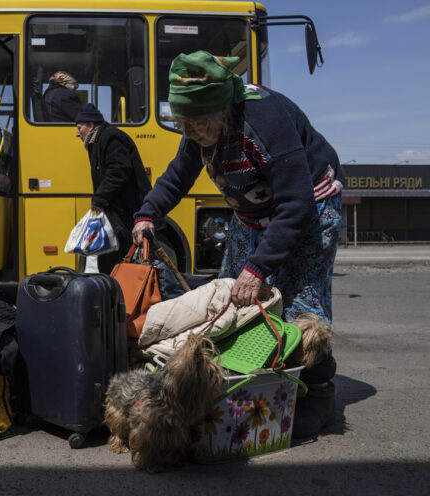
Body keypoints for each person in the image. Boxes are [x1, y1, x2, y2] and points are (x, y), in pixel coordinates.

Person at [131, 50, 344, 438]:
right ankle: (249, 386)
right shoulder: (201, 127)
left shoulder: (265, 120)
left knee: (301, 307)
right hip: (252, 214)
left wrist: (259, 267)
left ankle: (318, 396)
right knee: (232, 301)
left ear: (221, 110)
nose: (189, 132)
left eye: (194, 123)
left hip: (310, 207)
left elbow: (297, 204)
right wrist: (148, 214)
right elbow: (179, 174)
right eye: (182, 123)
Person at [75, 103, 152, 274]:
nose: (77, 133)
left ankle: (117, 294)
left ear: (90, 125)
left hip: (126, 212)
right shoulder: (97, 141)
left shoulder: (110, 138)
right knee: (111, 258)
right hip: (117, 211)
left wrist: (99, 199)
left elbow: (119, 171)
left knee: (120, 259)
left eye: (79, 128)